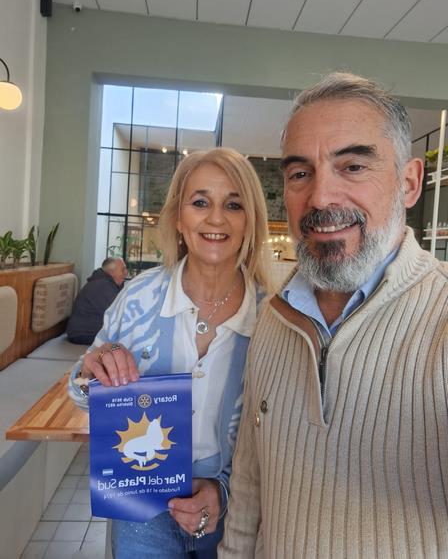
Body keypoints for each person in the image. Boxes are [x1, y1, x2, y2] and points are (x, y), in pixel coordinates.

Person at [219, 73, 448, 558]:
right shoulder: (274, 317)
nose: (321, 197)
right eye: (300, 173)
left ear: (409, 183)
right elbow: (250, 481)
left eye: (353, 166)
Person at [68, 147, 270, 558]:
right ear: (179, 217)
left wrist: (222, 490)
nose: (216, 219)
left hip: (233, 508)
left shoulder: (270, 317)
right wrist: (95, 369)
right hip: (141, 505)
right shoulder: (138, 296)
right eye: (200, 203)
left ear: (250, 220)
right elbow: (80, 392)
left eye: (233, 205)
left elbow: (278, 434)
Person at [66, 257, 128, 345]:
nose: (126, 273)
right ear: (111, 272)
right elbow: (118, 315)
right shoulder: (102, 286)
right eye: (123, 270)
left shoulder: (105, 283)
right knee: (125, 341)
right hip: (82, 334)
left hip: (86, 331)